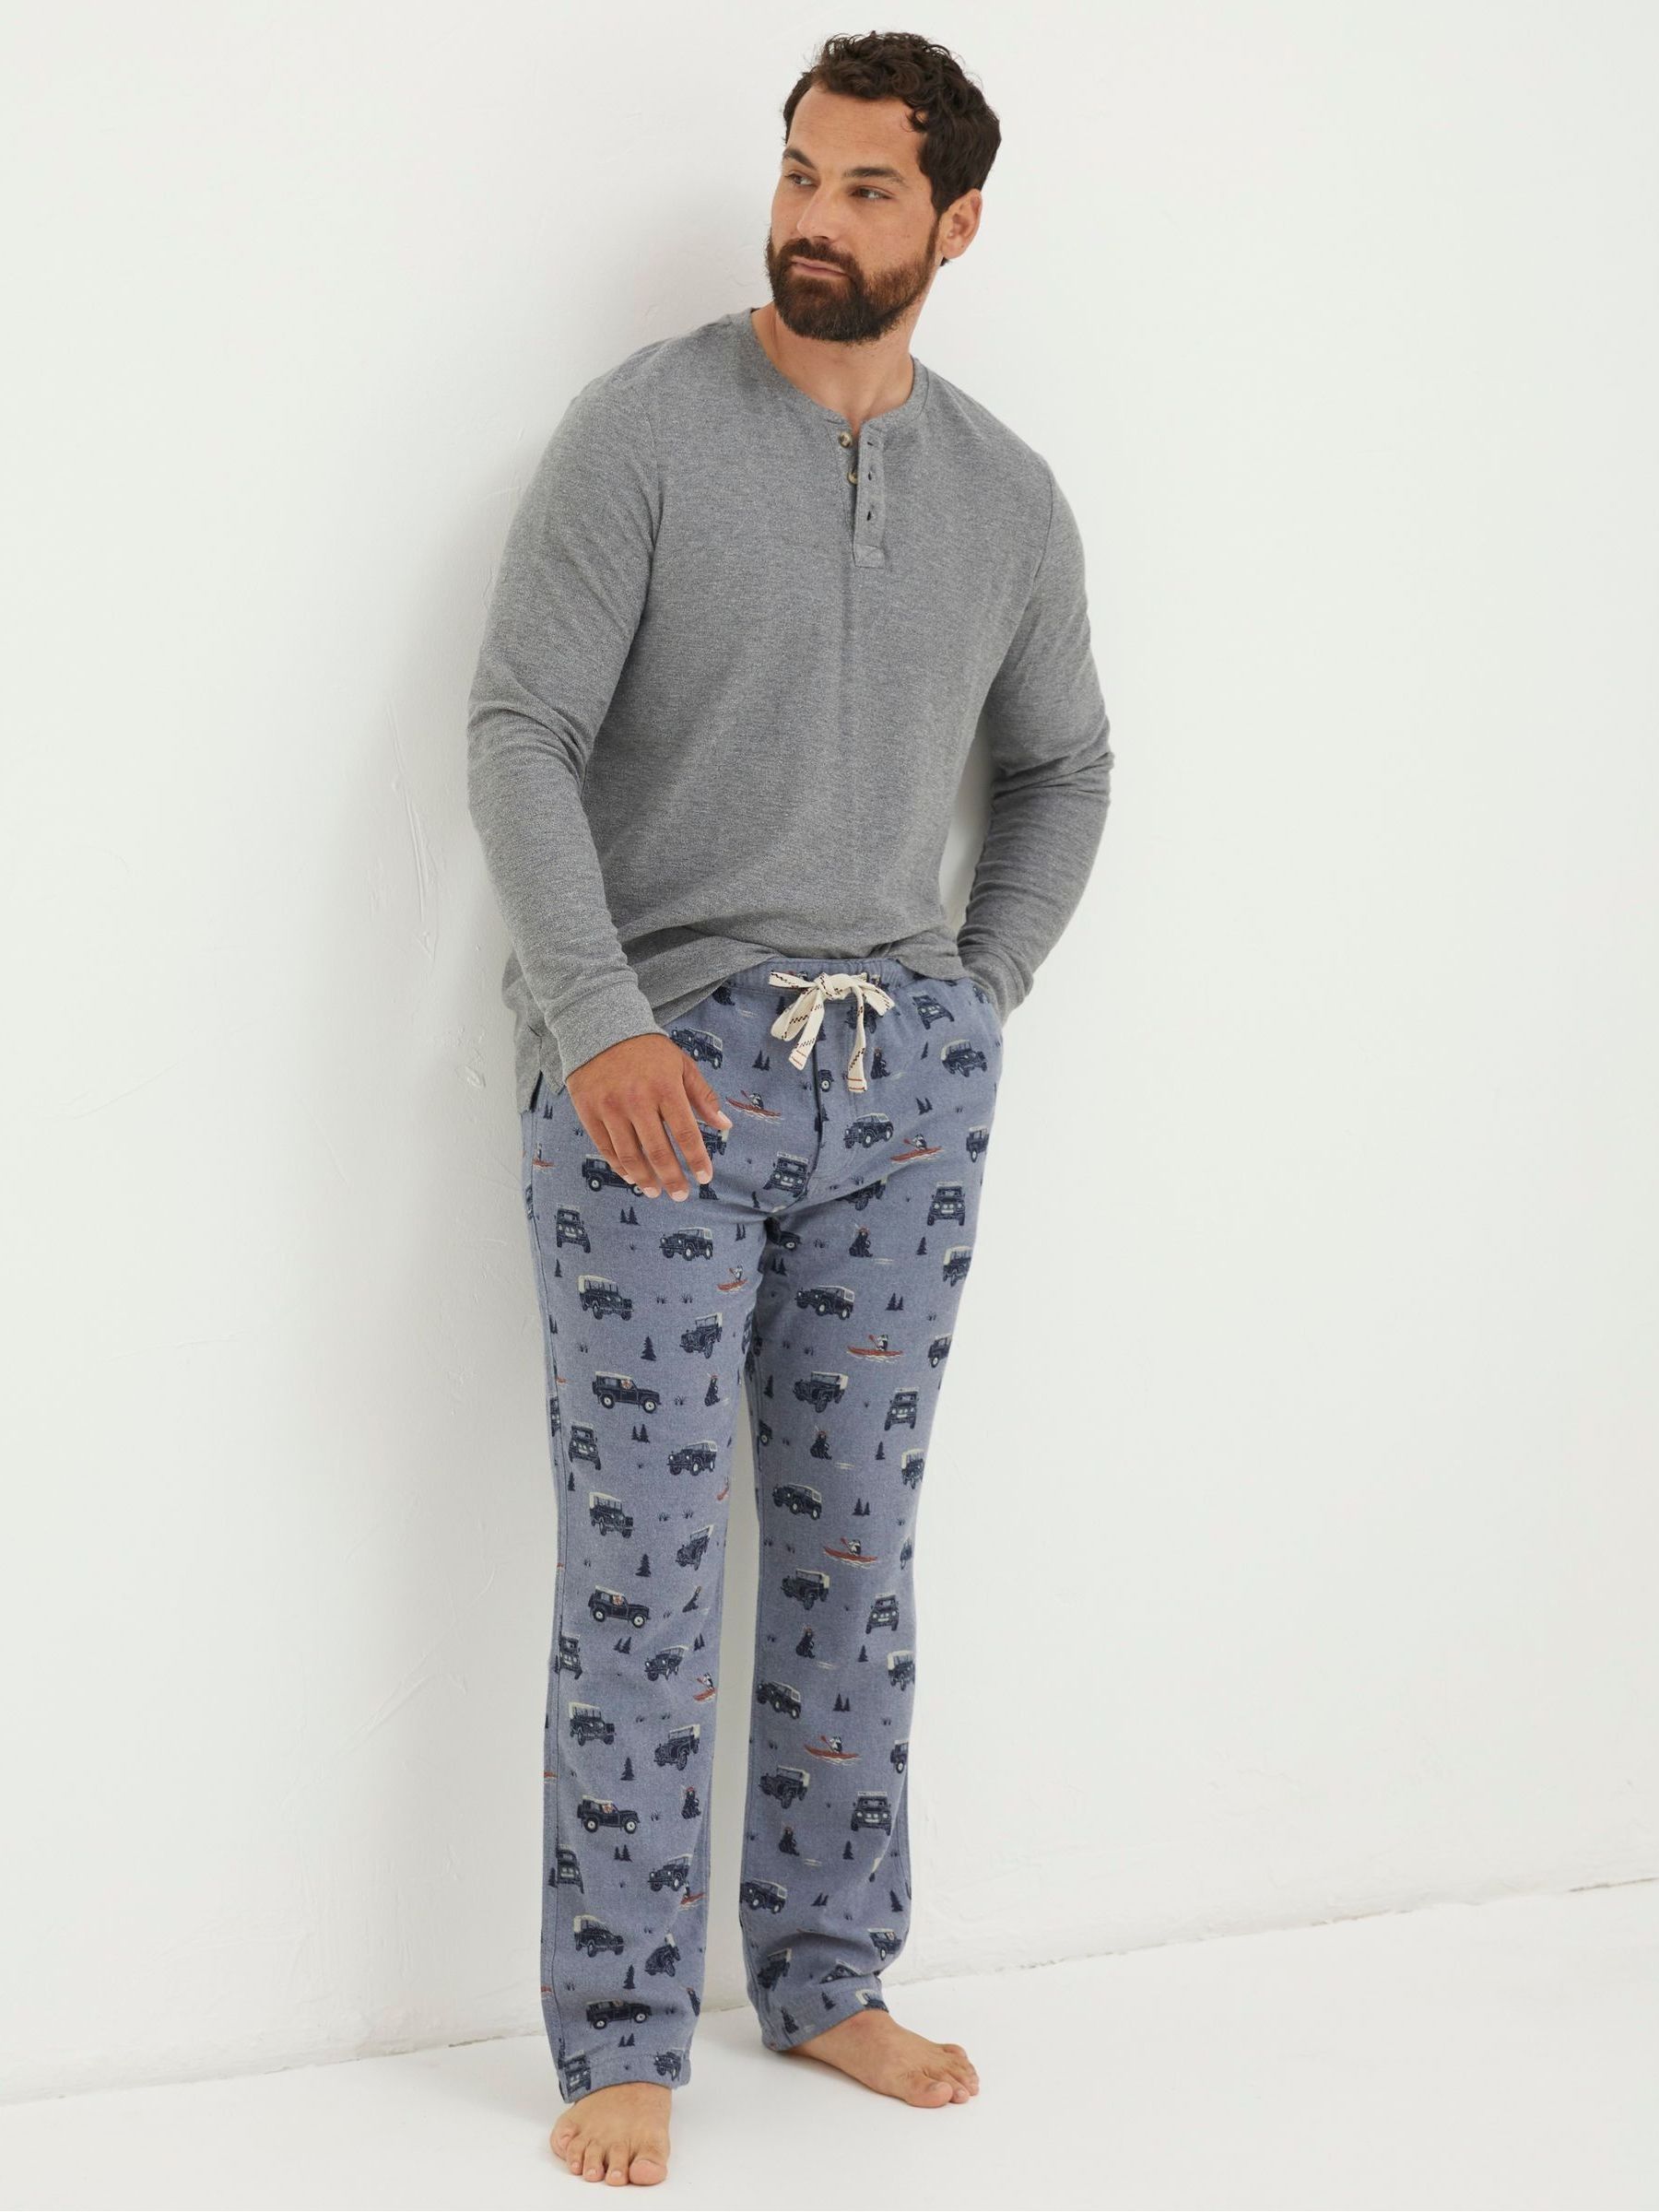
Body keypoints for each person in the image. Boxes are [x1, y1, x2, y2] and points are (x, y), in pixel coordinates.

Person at [465, 29, 1113, 2189]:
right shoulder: (644, 430)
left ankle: (828, 1977)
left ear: (956, 222)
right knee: (644, 1572)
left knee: (853, 1555)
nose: (812, 220)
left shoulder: (1008, 496)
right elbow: (521, 730)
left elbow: (1067, 764)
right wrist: (597, 1024)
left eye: (865, 189)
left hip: (898, 1093)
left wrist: (979, 997)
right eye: (800, 174)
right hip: (655, 1082)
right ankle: (622, 2031)